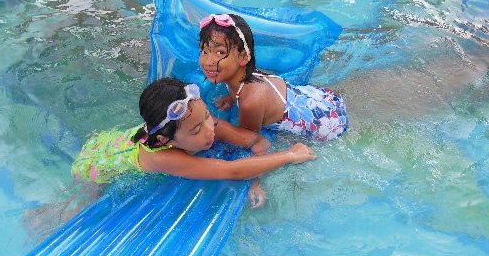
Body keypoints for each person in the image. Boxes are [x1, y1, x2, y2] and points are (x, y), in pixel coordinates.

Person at [72, 77, 315, 209]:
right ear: (165, 140)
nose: (210, 129)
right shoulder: (162, 157)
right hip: (94, 167)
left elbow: (257, 141)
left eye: (208, 115)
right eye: (197, 129)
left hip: (109, 142)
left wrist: (255, 180)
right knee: (84, 206)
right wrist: (289, 155)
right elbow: (232, 171)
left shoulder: (194, 120)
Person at [198, 13, 348, 141]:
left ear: (243, 57)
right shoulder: (248, 72)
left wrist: (217, 126)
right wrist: (232, 98)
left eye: (220, 52)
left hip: (326, 124)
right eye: (204, 51)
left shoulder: (250, 102)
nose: (208, 61)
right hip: (321, 99)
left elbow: (249, 139)